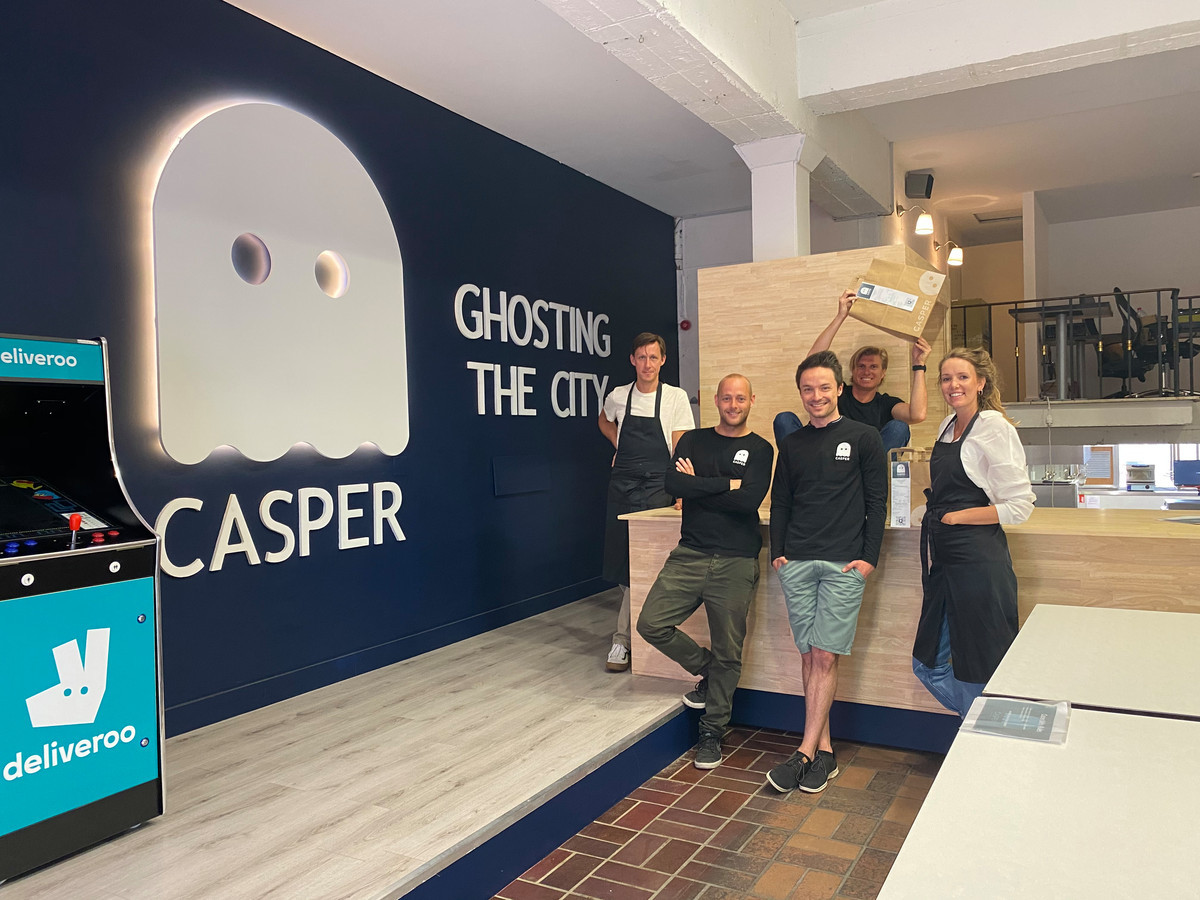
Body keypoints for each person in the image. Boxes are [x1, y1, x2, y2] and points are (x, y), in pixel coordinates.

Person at [636, 374, 773, 768]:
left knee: (730, 649)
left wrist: (698, 485)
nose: (733, 405)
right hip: (690, 554)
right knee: (651, 624)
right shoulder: (693, 441)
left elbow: (748, 501)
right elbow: (672, 483)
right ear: (716, 400)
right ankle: (709, 670)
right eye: (727, 398)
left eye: (740, 398)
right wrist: (725, 484)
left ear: (751, 401)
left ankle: (712, 732)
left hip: (736, 560)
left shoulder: (761, 449)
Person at [766, 350, 887, 794]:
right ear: (800, 394)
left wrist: (869, 558)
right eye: (807, 389)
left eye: (823, 387)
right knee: (810, 656)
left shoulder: (864, 437)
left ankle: (802, 753)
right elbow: (781, 502)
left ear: (839, 389)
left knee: (824, 656)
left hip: (843, 564)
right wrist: (778, 553)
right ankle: (826, 752)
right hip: (797, 562)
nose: (815, 396)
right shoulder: (792, 444)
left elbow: (877, 502)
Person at [911, 348, 1034, 717]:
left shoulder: (994, 428)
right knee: (927, 665)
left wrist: (957, 518)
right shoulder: (946, 426)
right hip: (945, 563)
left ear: (980, 382)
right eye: (947, 378)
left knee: (978, 667)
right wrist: (929, 513)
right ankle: (981, 725)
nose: (954, 385)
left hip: (980, 563)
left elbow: (1019, 507)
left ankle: (984, 735)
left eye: (962, 377)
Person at [598, 333, 696, 672]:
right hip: (622, 484)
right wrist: (618, 445)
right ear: (632, 360)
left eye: (653, 357)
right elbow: (603, 420)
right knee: (624, 561)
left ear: (663, 360)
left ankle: (625, 639)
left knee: (648, 561)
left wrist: (682, 490)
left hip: (657, 484)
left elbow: (681, 445)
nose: (647, 364)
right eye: (641, 357)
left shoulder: (675, 397)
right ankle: (629, 639)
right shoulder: (618, 396)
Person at [774, 290, 931, 454]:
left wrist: (919, 365)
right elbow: (812, 364)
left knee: (899, 427)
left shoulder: (886, 404)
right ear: (853, 370)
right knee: (784, 419)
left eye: (873, 367)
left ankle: (868, 469)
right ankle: (804, 467)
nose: (867, 371)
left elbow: (917, 415)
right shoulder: (839, 393)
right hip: (826, 454)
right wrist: (841, 316)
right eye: (861, 366)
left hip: (864, 462)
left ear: (883, 373)